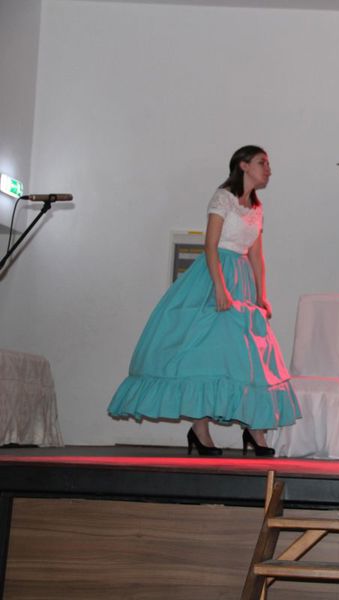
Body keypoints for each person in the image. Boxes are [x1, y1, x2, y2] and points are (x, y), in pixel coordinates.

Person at [108, 145, 299, 456]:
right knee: (204, 352)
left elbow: (256, 255)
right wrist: (220, 288)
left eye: (268, 164)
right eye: (262, 162)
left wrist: (261, 295)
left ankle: (254, 429)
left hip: (242, 282)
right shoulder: (223, 197)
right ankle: (200, 429)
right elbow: (210, 246)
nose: (268, 169)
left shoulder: (256, 207)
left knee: (249, 357)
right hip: (213, 277)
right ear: (243, 165)